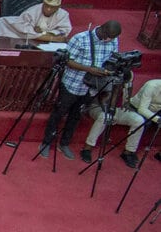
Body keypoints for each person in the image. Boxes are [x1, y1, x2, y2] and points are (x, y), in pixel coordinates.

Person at [40, 21, 123, 160]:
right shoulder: (80, 38)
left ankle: (64, 143)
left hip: (91, 87)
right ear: (102, 29)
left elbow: (112, 60)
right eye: (109, 36)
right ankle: (46, 142)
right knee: (59, 113)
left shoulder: (113, 40)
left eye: (113, 37)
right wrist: (89, 69)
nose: (110, 40)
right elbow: (68, 61)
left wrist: (108, 70)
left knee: (76, 116)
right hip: (72, 83)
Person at [84, 76, 161, 169]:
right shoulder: (105, 78)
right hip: (99, 107)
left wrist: (126, 88)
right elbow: (104, 101)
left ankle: (129, 151)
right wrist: (117, 87)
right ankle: (87, 148)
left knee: (139, 120)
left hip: (118, 109)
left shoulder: (127, 81)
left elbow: (126, 102)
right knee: (105, 117)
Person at [0, 0, 71, 42]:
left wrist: (43, 32)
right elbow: (24, 30)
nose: (48, 9)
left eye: (52, 7)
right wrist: (51, 38)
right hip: (24, 37)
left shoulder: (63, 14)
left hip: (43, 41)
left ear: (58, 7)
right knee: (2, 22)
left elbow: (63, 32)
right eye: (46, 6)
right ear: (43, 3)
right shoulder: (33, 10)